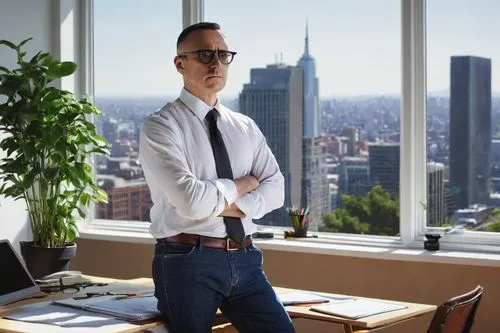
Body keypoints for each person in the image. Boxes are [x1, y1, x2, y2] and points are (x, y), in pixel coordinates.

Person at [139, 22, 295, 333]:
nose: (215, 63)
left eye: (223, 55)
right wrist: (244, 184)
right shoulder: (161, 126)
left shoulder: (245, 126)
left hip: (246, 258)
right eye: (204, 54)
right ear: (179, 63)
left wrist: (219, 201)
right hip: (187, 260)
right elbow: (191, 202)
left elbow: (276, 190)